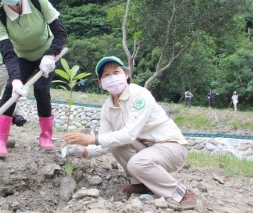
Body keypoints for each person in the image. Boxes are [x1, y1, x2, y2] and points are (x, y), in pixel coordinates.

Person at [63, 56, 196, 211]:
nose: (112, 77)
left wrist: (91, 139)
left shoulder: (139, 95)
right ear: (100, 83)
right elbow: (106, 143)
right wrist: (85, 151)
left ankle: (180, 193)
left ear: (126, 74)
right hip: (146, 148)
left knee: (137, 162)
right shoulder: (107, 108)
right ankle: (140, 184)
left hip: (171, 147)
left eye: (116, 72)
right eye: (106, 75)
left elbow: (129, 135)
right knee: (116, 145)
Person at [0, 0, 68, 156]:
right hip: (21, 56)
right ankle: (0, 140)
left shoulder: (38, 1)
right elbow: (7, 53)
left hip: (47, 53)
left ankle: (46, 135)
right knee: (9, 91)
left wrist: (51, 55)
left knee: (41, 89)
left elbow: (61, 33)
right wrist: (16, 79)